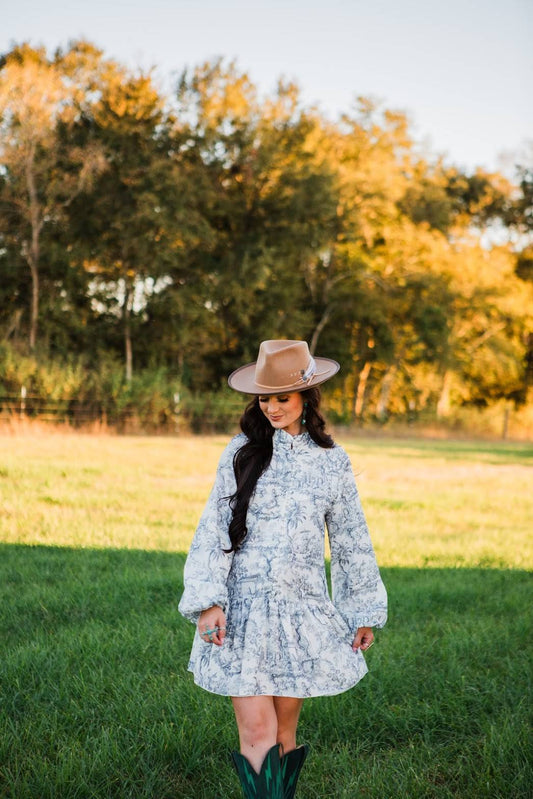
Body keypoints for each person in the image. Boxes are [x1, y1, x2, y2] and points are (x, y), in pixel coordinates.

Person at [179, 339, 387, 798]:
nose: (271, 408)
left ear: (307, 397)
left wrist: (362, 610)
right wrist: (209, 601)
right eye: (264, 398)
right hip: (243, 613)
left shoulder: (332, 462)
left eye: (282, 398)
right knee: (257, 731)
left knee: (283, 735)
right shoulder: (241, 452)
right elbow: (213, 527)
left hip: (300, 614)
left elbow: (351, 539)